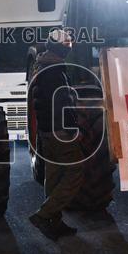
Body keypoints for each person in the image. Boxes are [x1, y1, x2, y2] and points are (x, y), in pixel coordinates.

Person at [28, 30, 81, 240]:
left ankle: (54, 221)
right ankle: (44, 214)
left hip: (46, 130)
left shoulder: (42, 65)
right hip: (60, 132)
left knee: (53, 174)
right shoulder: (55, 71)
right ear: (62, 49)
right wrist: (71, 130)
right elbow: (61, 104)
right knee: (75, 172)